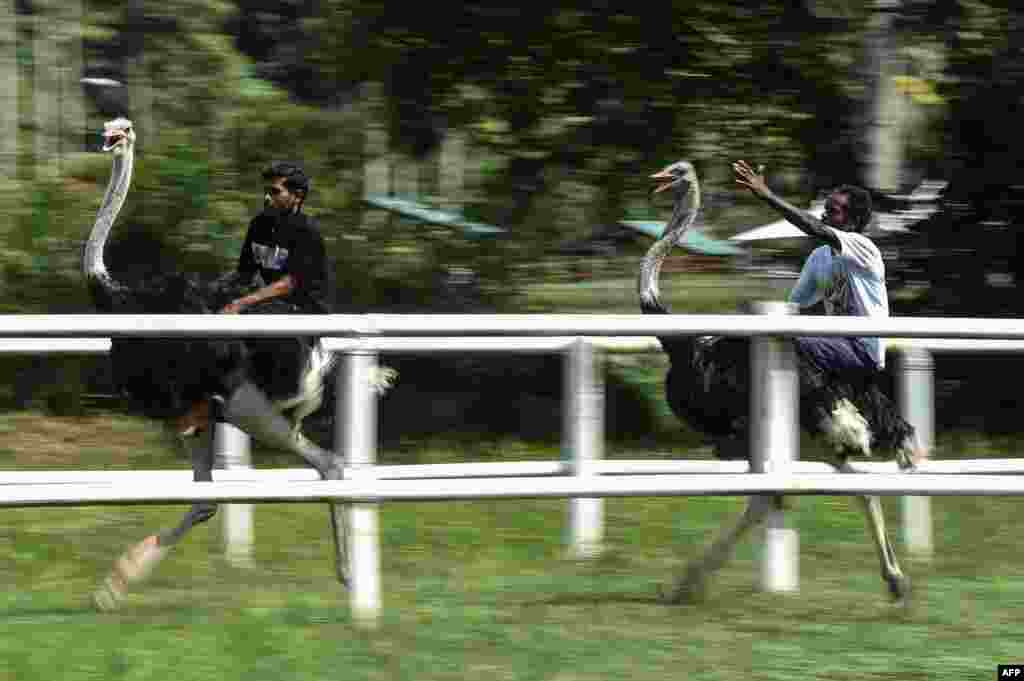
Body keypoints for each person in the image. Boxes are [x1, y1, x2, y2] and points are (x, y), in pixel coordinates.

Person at [733, 159, 887, 373]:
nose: (823, 216)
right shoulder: (818, 257)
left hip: (863, 352)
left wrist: (768, 196)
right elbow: (795, 306)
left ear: (853, 221)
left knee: (785, 343)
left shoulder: (864, 248)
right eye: (824, 210)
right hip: (834, 344)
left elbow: (814, 227)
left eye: (832, 211)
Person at [220, 161, 332, 315]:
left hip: (305, 315)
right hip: (270, 306)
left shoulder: (307, 231)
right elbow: (244, 273)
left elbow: (289, 284)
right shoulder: (258, 225)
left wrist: (241, 303)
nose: (267, 197)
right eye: (266, 191)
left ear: (297, 196)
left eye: (274, 191)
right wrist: (215, 288)